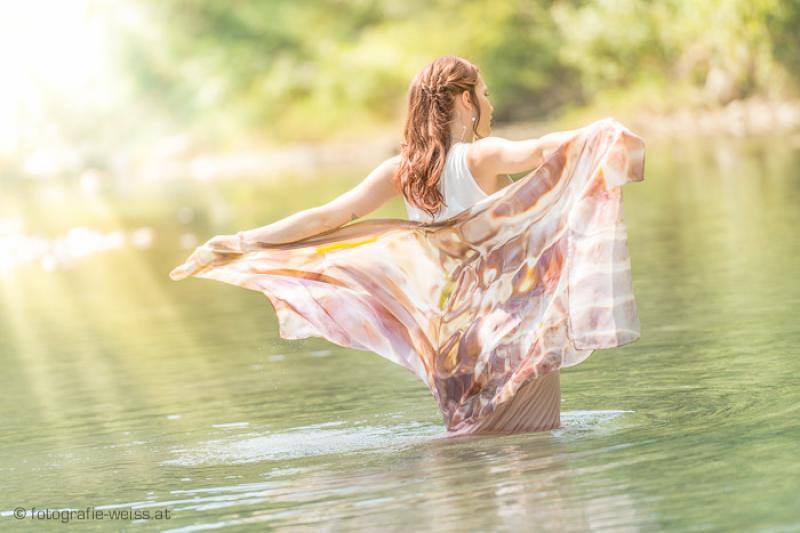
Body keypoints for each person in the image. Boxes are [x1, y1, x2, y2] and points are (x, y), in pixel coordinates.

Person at [170, 55, 644, 437]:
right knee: (535, 452)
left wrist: (241, 241)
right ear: (464, 99)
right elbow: (545, 150)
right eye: (485, 93)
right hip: (510, 332)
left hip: (450, 347)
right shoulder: (483, 154)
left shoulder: (402, 172)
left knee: (469, 453)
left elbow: (326, 218)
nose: (490, 103)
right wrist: (600, 131)